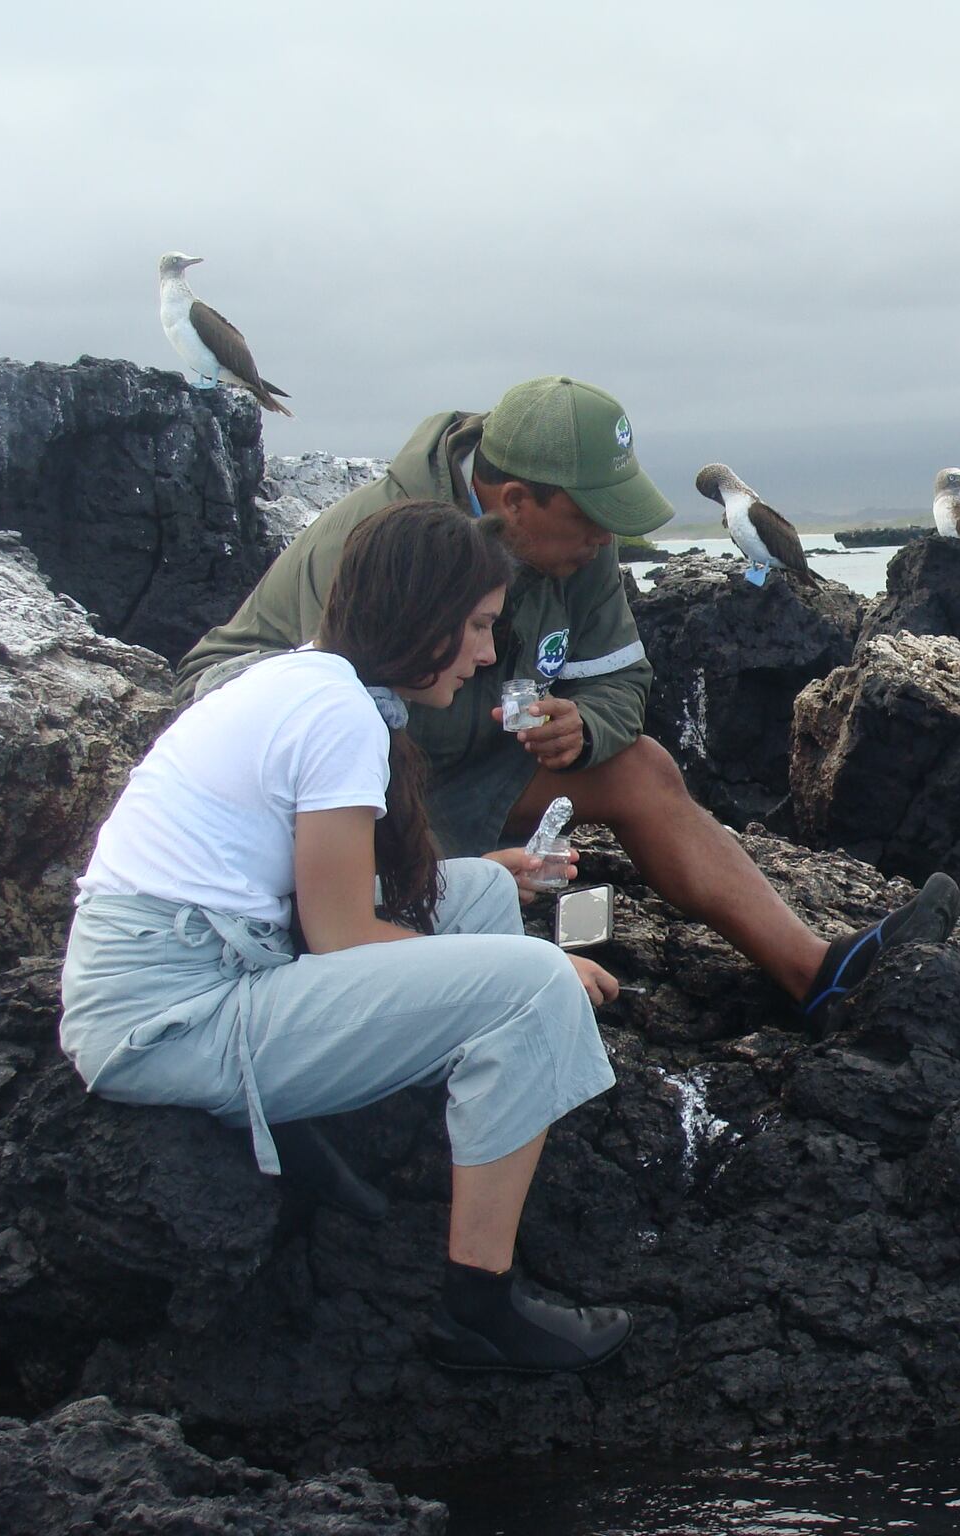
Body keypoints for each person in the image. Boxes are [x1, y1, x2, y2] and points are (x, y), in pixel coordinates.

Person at [176, 375, 957, 1027]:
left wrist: (588, 725)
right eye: (590, 519)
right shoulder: (388, 544)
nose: (602, 541)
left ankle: (818, 971)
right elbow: (312, 718)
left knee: (642, 768)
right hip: (331, 782)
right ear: (515, 500)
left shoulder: (578, 542)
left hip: (449, 763)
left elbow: (622, 676)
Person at [62, 501, 631, 1374]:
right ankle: (479, 1307)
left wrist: (488, 906)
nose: (487, 655)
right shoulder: (339, 719)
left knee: (474, 889)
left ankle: (349, 1126)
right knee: (529, 986)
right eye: (479, 627)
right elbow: (338, 935)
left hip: (194, 967)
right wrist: (536, 966)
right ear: (424, 617)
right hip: (168, 1019)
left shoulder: (316, 682)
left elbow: (335, 899)